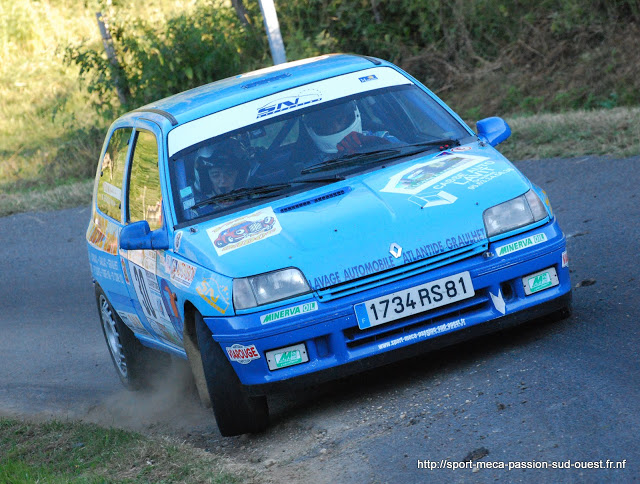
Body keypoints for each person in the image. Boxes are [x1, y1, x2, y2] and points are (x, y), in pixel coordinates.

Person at [303, 100, 401, 156]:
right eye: (328, 125)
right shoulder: (316, 159)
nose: (336, 128)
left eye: (340, 120)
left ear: (349, 116)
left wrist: (376, 144)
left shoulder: (379, 137)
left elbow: (403, 149)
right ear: (318, 127)